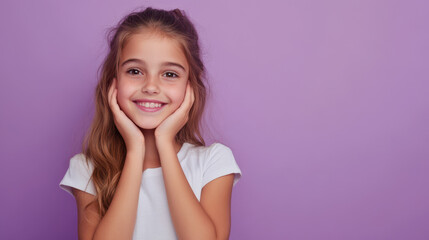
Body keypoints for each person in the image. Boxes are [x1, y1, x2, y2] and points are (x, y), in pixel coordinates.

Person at [58, 6, 242, 240]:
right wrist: (135, 150)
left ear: (190, 87)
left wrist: (164, 143)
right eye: (135, 71)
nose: (151, 86)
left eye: (170, 74)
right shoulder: (87, 169)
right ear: (113, 82)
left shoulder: (213, 163)